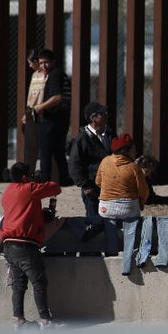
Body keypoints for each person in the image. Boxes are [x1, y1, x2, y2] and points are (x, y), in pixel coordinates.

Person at [0, 162, 62, 330]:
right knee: (39, 282)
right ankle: (45, 321)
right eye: (32, 175)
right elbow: (56, 188)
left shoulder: (7, 192)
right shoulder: (30, 188)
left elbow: (22, 211)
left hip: (8, 246)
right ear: (25, 177)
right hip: (25, 246)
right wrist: (41, 182)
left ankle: (19, 320)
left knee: (18, 285)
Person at [68, 102, 116, 244]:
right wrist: (85, 185)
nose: (106, 116)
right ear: (93, 118)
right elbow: (74, 165)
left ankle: (109, 249)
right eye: (102, 114)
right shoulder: (83, 139)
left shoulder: (109, 134)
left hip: (109, 186)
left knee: (110, 219)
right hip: (92, 188)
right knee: (94, 220)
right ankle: (90, 251)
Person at [95, 134, 149, 255]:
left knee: (110, 230)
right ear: (125, 151)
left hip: (106, 208)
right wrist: (141, 203)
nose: (135, 152)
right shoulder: (134, 167)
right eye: (133, 150)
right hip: (128, 208)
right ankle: (129, 255)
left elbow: (98, 182)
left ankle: (111, 255)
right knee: (131, 229)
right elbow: (143, 190)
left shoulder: (105, 162)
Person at [30, 48, 72, 185]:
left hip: (53, 119)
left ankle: (45, 181)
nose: (43, 66)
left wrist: (40, 107)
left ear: (53, 62)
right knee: (58, 151)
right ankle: (65, 179)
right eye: (41, 63)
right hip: (62, 119)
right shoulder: (59, 74)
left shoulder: (54, 75)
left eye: (46, 63)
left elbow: (57, 97)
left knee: (46, 152)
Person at [22, 48, 49, 168]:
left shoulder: (46, 75)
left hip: (40, 112)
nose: (29, 66)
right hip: (30, 111)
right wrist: (26, 112)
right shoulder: (34, 75)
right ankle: (30, 172)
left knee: (42, 145)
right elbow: (31, 94)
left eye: (30, 63)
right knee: (30, 146)